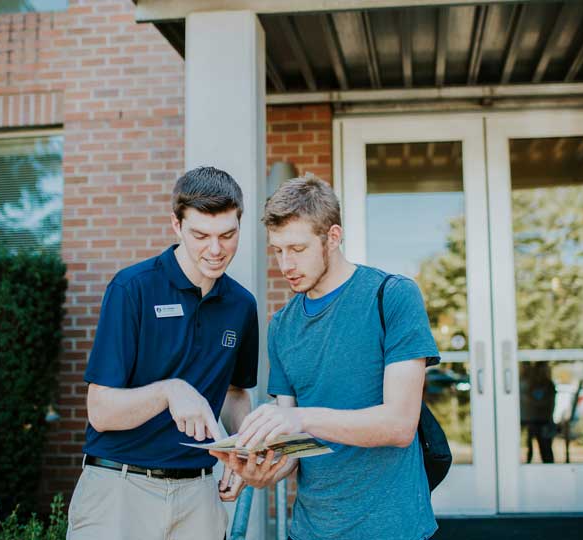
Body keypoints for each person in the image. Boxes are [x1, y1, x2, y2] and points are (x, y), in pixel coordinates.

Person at [212, 176, 440, 540]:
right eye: (278, 250)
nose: (285, 264)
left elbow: (399, 425)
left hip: (395, 529)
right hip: (310, 530)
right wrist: (261, 470)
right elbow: (291, 449)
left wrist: (298, 416)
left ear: (332, 237)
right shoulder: (282, 326)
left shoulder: (392, 297)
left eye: (297, 249)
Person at [67, 166, 258, 540]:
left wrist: (243, 447)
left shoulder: (242, 305)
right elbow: (101, 411)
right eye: (201, 235)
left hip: (200, 495)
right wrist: (169, 391)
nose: (216, 249)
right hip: (119, 489)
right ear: (176, 225)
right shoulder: (132, 289)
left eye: (228, 235)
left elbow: (235, 393)